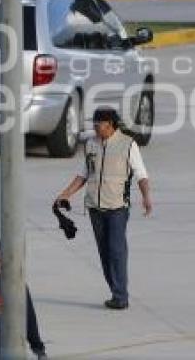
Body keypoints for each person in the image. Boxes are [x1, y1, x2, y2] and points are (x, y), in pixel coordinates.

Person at [55, 107, 153, 310]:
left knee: (117, 250)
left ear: (110, 124)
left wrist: (146, 197)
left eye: (98, 124)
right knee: (104, 252)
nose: (95, 127)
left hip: (117, 207)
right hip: (95, 207)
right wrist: (65, 194)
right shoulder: (91, 144)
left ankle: (120, 296)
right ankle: (115, 292)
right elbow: (83, 174)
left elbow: (141, 174)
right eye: (95, 123)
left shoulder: (128, 144)